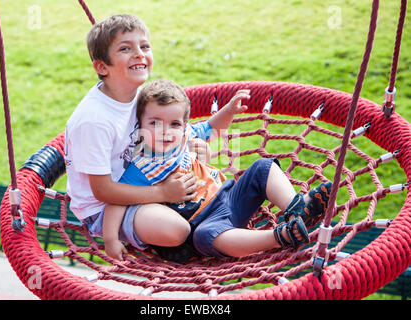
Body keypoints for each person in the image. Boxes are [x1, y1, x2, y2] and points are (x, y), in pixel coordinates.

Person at [102, 79, 333, 262]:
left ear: (184, 125)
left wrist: (229, 110)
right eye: (155, 123)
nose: (166, 131)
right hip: (205, 222)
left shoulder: (187, 136)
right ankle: (277, 237)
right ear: (139, 125)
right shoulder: (141, 166)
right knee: (205, 238)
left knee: (262, 167)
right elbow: (117, 200)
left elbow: (213, 127)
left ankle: (297, 208)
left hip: (230, 194)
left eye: (174, 124)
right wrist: (111, 239)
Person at [64, 15, 211, 259]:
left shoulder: (137, 94)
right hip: (104, 209)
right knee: (177, 230)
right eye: (125, 49)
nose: (139, 54)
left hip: (142, 178)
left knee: (201, 155)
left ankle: (202, 219)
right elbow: (104, 192)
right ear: (102, 67)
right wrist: (163, 193)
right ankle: (185, 234)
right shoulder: (94, 121)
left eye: (144, 46)